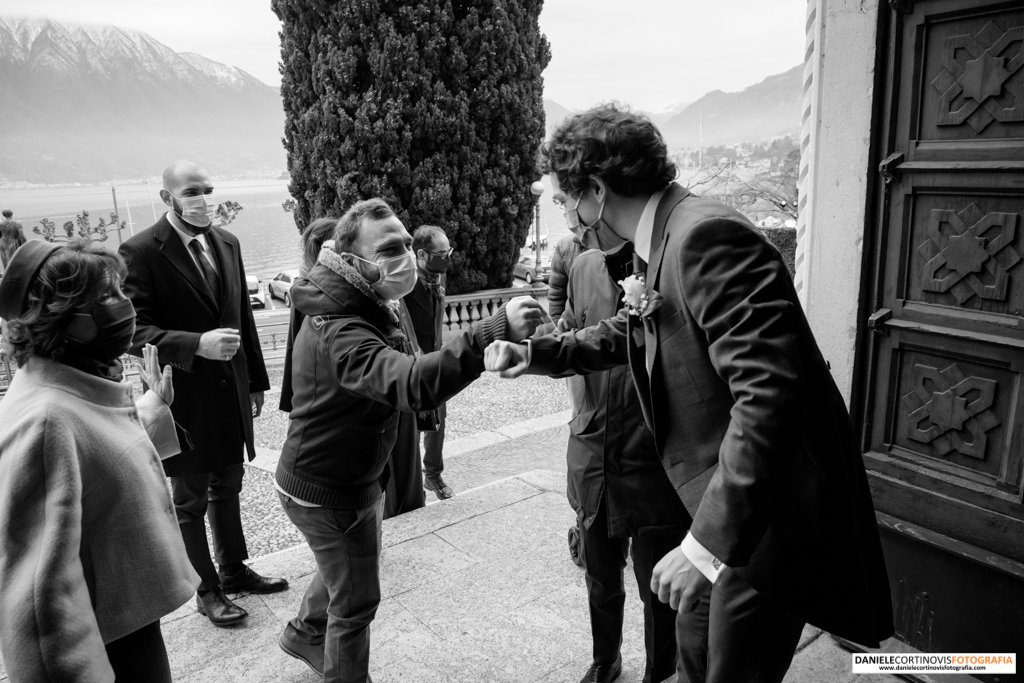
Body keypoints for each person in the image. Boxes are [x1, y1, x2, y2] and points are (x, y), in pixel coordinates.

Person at [485, 105, 893, 683]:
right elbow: (629, 332)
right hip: (721, 509)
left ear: (596, 190)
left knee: (725, 666)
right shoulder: (666, 236)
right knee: (695, 651)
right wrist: (534, 355)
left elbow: (769, 397)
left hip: (768, 522)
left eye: (566, 202)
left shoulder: (705, 236)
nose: (572, 222)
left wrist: (704, 546)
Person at [275, 198, 543, 681]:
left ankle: (303, 630)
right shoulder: (341, 328)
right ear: (353, 260)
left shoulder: (360, 300)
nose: (407, 256)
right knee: (356, 601)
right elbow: (410, 382)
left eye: (406, 243)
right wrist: (489, 331)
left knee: (347, 564)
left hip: (346, 476)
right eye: (391, 248)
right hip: (327, 488)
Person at [0, 240, 198, 682]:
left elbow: (96, 459)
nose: (124, 307)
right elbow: (37, 598)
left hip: (125, 616)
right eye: (105, 297)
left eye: (121, 291)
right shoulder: (45, 422)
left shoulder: (71, 385)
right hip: (103, 644)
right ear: (56, 316)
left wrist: (150, 408)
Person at [119, 160, 286, 629]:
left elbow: (242, 318)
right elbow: (135, 329)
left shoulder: (227, 242)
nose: (202, 198)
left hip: (229, 391)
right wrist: (196, 344)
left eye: (207, 189)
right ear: (167, 196)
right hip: (182, 395)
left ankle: (233, 569)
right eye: (191, 191)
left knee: (228, 485)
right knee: (189, 498)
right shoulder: (139, 251)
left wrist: (254, 379)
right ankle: (205, 589)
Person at [558, 235, 689, 681]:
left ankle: (660, 670)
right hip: (593, 448)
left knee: (658, 585)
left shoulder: (671, 263)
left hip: (651, 456)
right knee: (599, 574)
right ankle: (605, 660)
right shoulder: (582, 266)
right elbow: (573, 338)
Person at [404, 224, 455, 499]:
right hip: (411, 365)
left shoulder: (439, 278)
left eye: (449, 252)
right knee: (412, 425)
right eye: (442, 253)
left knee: (439, 421)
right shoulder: (405, 283)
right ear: (421, 255)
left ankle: (433, 475)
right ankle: (411, 482)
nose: (448, 259)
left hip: (436, 360)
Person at [280, 217, 339, 413]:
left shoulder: (302, 287)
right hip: (323, 392)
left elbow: (292, 349)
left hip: (307, 393)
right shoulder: (311, 292)